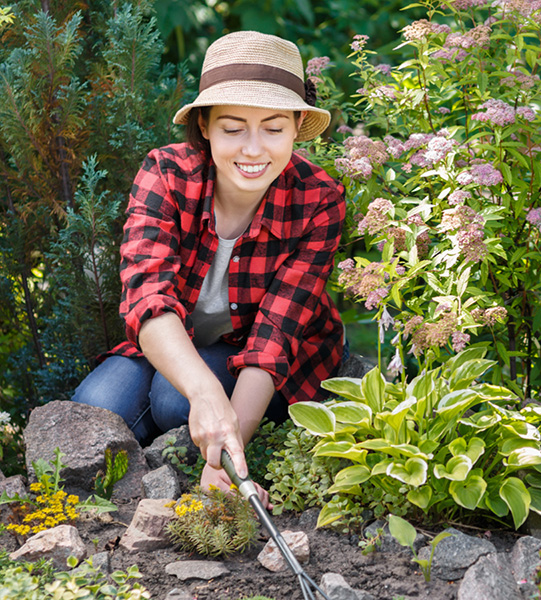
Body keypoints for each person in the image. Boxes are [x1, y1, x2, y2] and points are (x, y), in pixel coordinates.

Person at [72, 31, 346, 505]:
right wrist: (204, 393)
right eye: (233, 128)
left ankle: (187, 453)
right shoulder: (166, 174)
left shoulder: (319, 199)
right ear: (204, 125)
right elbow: (147, 297)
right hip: (175, 340)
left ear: (298, 125)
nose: (253, 149)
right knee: (96, 410)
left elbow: (274, 339)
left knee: (173, 403)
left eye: (274, 128)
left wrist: (225, 459)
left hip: (255, 355)